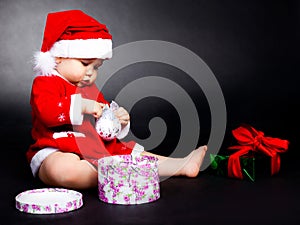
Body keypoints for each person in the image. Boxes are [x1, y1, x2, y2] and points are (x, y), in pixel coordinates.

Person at [26, 9, 207, 189]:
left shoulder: (89, 88)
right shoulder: (45, 83)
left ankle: (181, 165)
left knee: (131, 153)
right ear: (58, 57)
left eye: (97, 67)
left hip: (93, 148)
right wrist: (83, 106)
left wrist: (117, 121)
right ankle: (119, 174)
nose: (90, 73)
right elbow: (47, 112)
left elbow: (104, 126)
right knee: (61, 169)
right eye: (85, 64)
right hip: (57, 148)